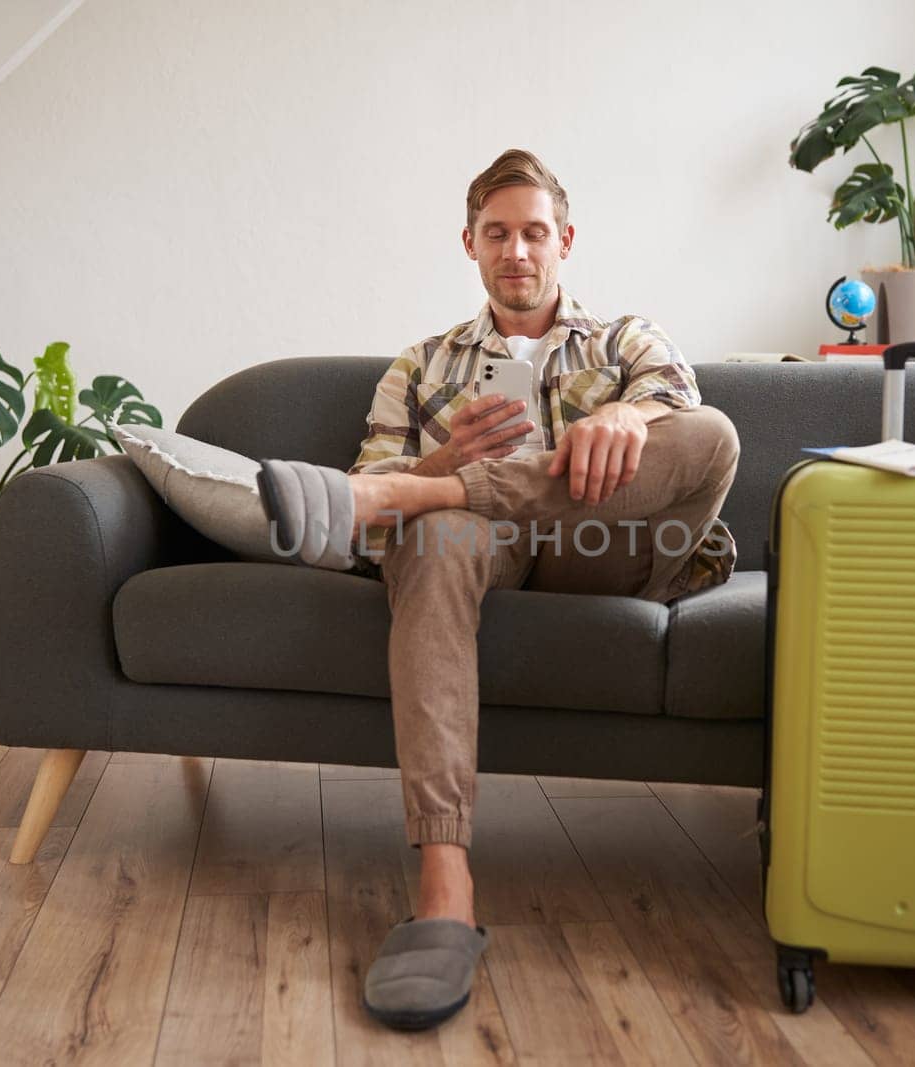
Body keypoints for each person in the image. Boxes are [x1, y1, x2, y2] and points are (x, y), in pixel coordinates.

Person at [256, 148, 739, 1030]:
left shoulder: (627, 339)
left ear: (566, 240)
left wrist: (632, 413)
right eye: (497, 233)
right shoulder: (422, 364)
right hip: (483, 548)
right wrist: (445, 466)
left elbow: (687, 433)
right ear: (470, 245)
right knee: (432, 530)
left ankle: (429, 491)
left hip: (608, 545)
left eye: (534, 232)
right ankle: (443, 882)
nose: (517, 250)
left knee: (709, 432)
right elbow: (366, 523)